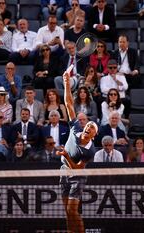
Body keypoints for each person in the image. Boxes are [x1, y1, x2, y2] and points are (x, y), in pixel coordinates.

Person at [58, 67, 97, 233]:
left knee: (73, 211)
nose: (88, 127)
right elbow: (68, 103)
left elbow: (78, 168)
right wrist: (67, 83)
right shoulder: (75, 127)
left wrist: (66, 154)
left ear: (94, 135)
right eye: (87, 125)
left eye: (92, 128)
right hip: (63, 171)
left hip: (77, 177)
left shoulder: (90, 151)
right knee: (67, 212)